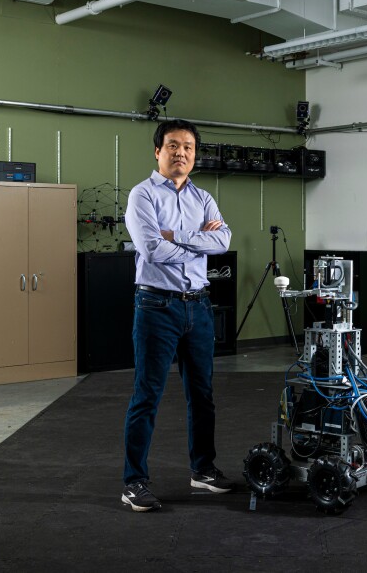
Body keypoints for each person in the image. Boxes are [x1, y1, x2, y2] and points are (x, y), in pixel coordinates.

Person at [121, 119, 233, 512]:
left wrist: (177, 239)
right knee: (147, 395)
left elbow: (224, 240)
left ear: (195, 155)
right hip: (157, 306)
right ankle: (134, 481)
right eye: (172, 145)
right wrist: (198, 242)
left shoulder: (203, 197)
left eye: (188, 146)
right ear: (158, 151)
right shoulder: (142, 196)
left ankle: (203, 470)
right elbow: (152, 250)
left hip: (198, 305)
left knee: (202, 395)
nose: (181, 152)